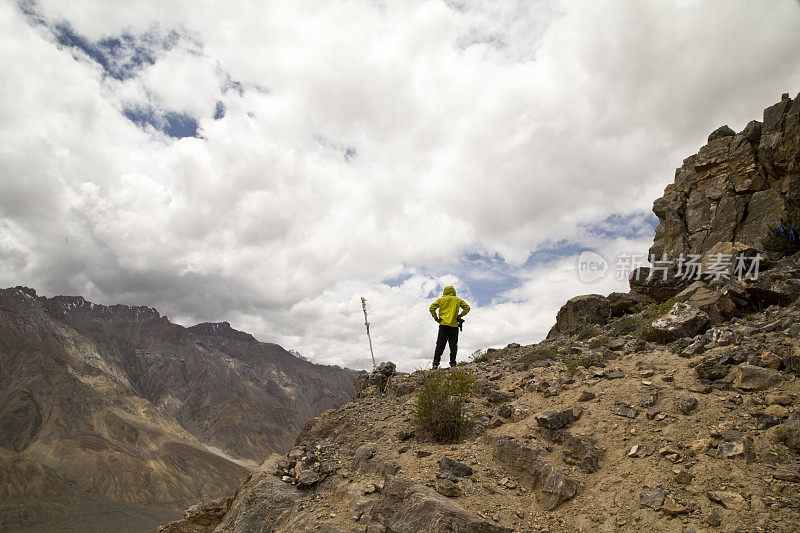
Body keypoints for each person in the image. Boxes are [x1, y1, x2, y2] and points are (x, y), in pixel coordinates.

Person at [429, 285, 470, 369]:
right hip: (454, 326)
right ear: (453, 291)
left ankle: (435, 364)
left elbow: (431, 308)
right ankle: (453, 363)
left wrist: (436, 318)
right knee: (453, 345)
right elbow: (467, 308)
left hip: (443, 325)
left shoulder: (441, 300)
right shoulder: (457, 300)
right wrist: (460, 315)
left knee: (440, 345)